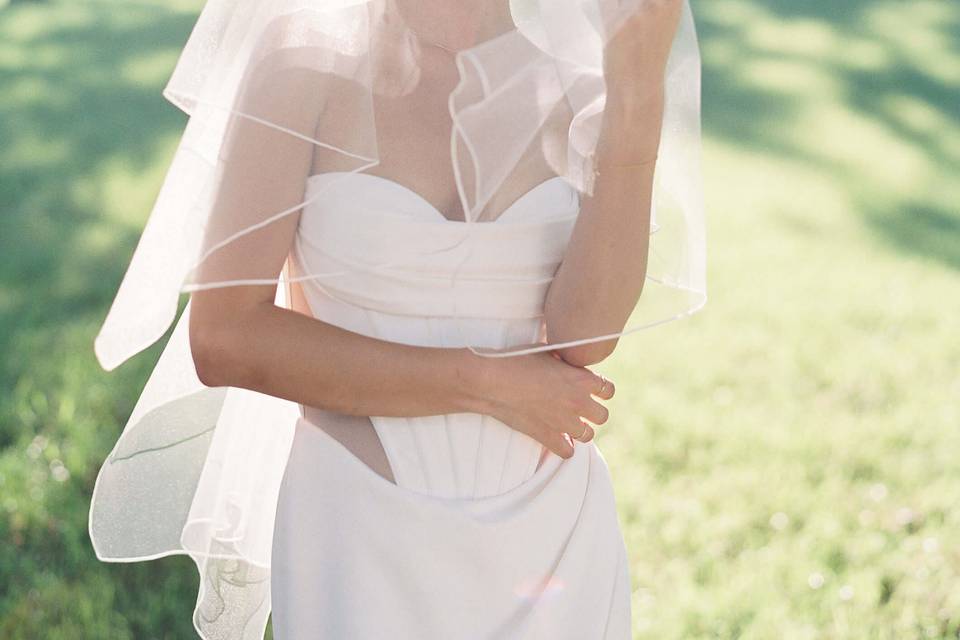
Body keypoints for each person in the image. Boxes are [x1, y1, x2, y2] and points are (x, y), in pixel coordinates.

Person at [88, 1, 705, 637]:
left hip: (557, 541)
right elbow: (226, 336)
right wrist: (484, 385)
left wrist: (634, 96)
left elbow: (587, 334)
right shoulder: (305, 65)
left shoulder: (575, 75)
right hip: (363, 537)